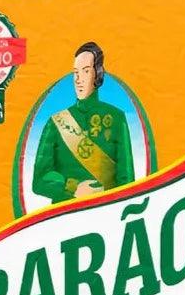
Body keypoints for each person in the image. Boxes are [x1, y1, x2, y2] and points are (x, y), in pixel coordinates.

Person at [32, 41, 134, 203]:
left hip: (106, 212)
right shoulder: (55, 122)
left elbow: (127, 182)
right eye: (75, 72)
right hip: (65, 213)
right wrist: (73, 188)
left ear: (98, 74)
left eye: (86, 71)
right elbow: (39, 181)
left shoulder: (117, 117)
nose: (78, 79)